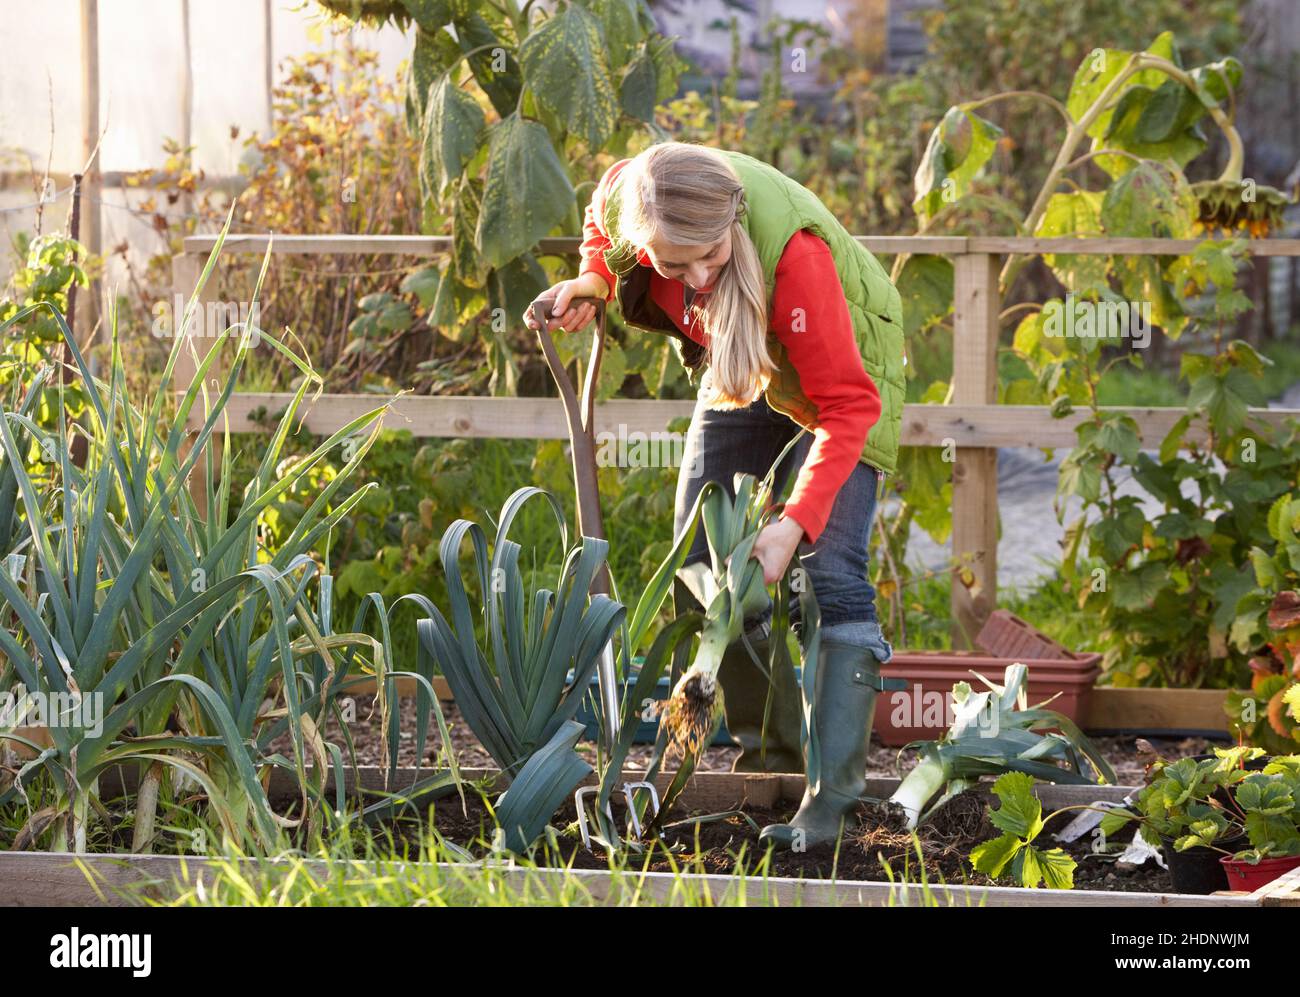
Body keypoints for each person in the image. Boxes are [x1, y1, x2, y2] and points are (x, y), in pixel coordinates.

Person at [523, 141, 905, 848]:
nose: (696, 275)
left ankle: (829, 805)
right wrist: (593, 280)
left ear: (731, 218)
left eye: (710, 254)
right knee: (703, 562)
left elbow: (849, 408)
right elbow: (603, 227)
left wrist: (793, 523)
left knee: (830, 572)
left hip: (838, 362)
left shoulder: (796, 260)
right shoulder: (629, 195)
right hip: (740, 350)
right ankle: (774, 766)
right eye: (673, 264)